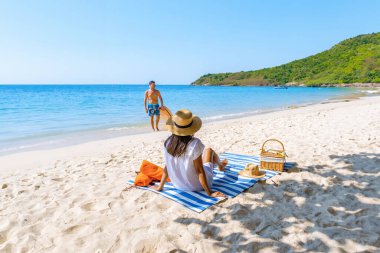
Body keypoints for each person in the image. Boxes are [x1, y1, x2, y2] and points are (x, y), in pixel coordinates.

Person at [151, 109, 228, 197]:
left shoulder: (168, 142)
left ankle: (220, 165)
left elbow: (167, 166)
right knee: (209, 150)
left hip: (178, 185)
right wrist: (209, 193)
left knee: (196, 159)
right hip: (196, 186)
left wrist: (160, 187)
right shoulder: (195, 144)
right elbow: (200, 171)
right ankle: (220, 165)